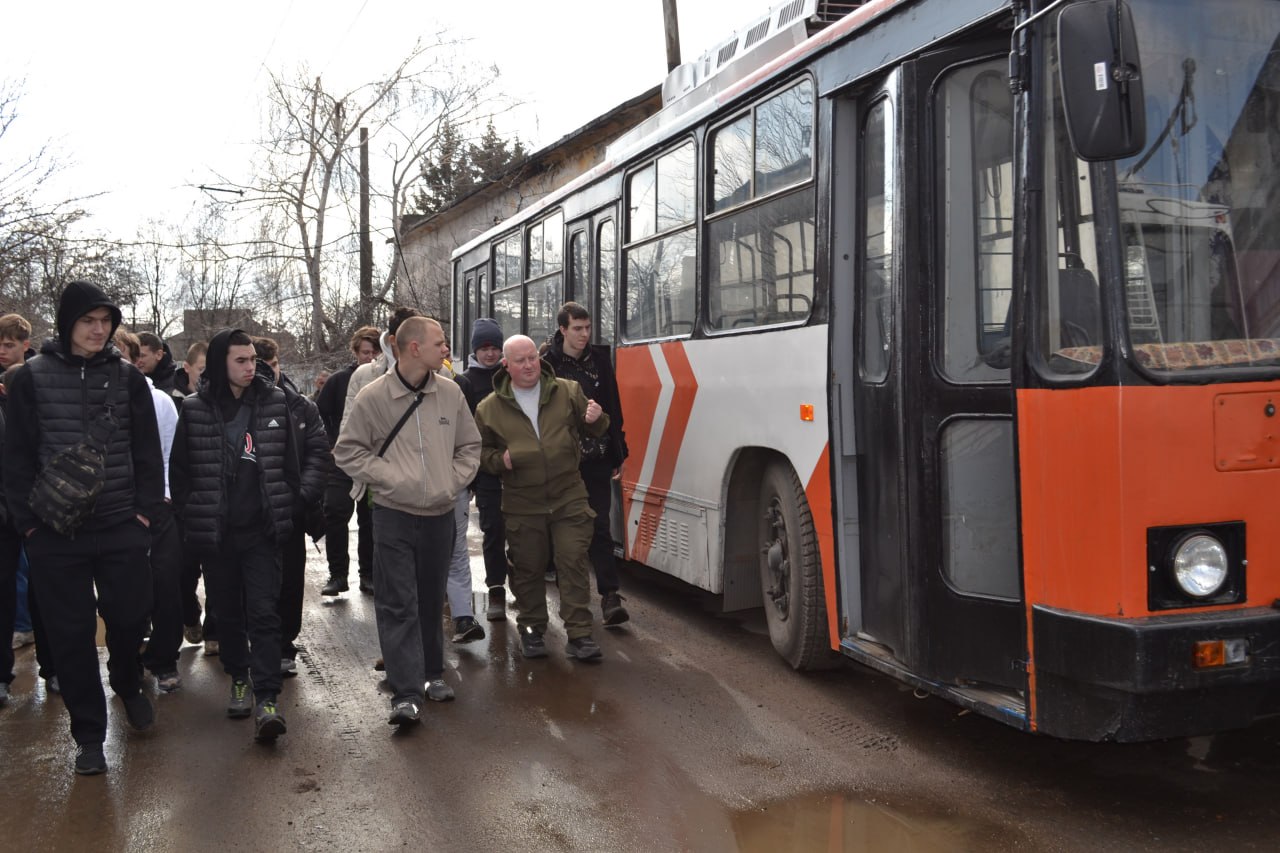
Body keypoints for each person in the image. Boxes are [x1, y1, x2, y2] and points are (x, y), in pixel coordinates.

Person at [3, 281, 165, 775]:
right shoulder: (29, 379)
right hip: (55, 533)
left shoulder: (128, 379)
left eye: (105, 321)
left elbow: (146, 453)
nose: (99, 330)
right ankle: (90, 735)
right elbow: (16, 459)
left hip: (120, 525)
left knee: (131, 617)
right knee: (71, 636)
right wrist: (29, 526)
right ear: (67, 323)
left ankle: (126, 680)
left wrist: (144, 514)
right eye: (88, 321)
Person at [171, 328, 319, 743]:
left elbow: (293, 462)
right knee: (229, 614)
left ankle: (268, 698)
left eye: (253, 359)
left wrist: (290, 503)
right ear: (221, 363)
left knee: (264, 612)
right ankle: (239, 678)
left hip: (262, 532)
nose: (251, 367)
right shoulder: (195, 409)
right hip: (216, 535)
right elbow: (179, 475)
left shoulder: (274, 401)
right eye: (241, 360)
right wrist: (192, 517)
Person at [334, 317, 480, 726]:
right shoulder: (373, 396)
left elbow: (471, 445)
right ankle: (406, 692)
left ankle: (433, 674)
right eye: (440, 342)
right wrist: (392, 479)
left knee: (432, 601)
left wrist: (450, 481)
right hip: (393, 515)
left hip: (439, 515)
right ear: (414, 348)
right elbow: (347, 452)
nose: (446, 349)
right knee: (399, 603)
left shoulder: (450, 393)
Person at [474, 334, 610, 662]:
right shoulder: (489, 408)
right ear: (506, 365)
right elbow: (479, 453)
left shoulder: (567, 391)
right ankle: (532, 630)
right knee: (528, 567)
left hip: (568, 494)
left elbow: (597, 428)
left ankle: (579, 635)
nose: (529, 365)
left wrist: (597, 419)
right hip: (523, 500)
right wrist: (498, 461)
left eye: (532, 357)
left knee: (572, 560)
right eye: (520, 360)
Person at [541, 302, 631, 626]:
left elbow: (614, 407)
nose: (584, 335)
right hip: (561, 462)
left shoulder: (601, 361)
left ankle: (610, 597)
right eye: (577, 329)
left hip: (596, 456)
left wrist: (618, 452)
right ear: (562, 330)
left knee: (600, 526)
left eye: (588, 328)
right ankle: (571, 603)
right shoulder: (546, 364)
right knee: (564, 530)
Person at [252, 336, 328, 678]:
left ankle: (284, 645)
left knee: (289, 581)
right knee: (252, 582)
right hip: (249, 512)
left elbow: (318, 454)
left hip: (292, 510)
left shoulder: (301, 407)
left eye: (271, 365)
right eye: (258, 365)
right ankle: (253, 644)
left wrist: (302, 497)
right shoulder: (238, 403)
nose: (265, 372)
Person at [114, 330, 185, 693]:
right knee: (124, 595)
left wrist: (167, 497)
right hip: (113, 513)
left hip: (159, 508)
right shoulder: (97, 400)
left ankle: (164, 657)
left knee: (166, 584)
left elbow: (172, 451)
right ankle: (125, 662)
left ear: (136, 358)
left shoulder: (159, 400)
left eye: (124, 354)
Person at [315, 325, 381, 596]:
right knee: (335, 513)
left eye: (374, 352)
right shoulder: (339, 381)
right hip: (341, 458)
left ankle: (368, 575)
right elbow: (320, 415)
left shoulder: (384, 380)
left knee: (370, 519)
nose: (369, 357)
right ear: (355, 352)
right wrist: (331, 444)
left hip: (371, 459)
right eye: (365, 352)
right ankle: (337, 574)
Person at [455, 318, 510, 622]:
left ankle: (522, 581)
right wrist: (470, 474)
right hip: (484, 469)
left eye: (495, 347)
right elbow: (463, 431)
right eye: (484, 348)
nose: (490, 353)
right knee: (493, 530)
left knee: (522, 531)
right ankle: (496, 590)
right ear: (476, 350)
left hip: (517, 467)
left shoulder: (512, 375)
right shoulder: (465, 382)